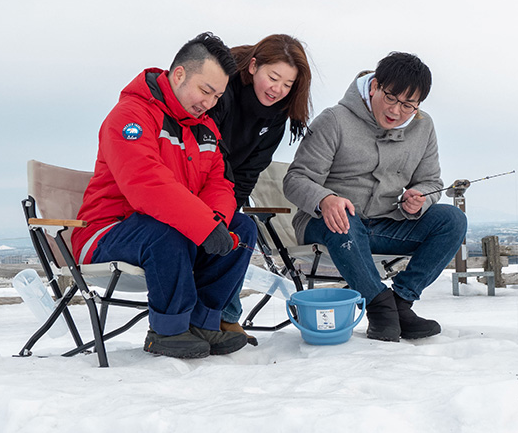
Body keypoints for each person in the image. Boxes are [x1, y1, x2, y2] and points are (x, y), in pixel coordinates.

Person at [71, 32, 257, 359]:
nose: (210, 103)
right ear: (180, 74)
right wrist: (202, 226)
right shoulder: (131, 116)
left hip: (173, 233)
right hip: (106, 234)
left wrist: (214, 223)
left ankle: (202, 324)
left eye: (217, 96)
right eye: (205, 90)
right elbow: (146, 183)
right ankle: (167, 331)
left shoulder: (205, 129)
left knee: (241, 229)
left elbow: (220, 182)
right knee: (164, 227)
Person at [282, 52, 467, 342]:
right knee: (345, 217)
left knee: (453, 220)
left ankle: (401, 302)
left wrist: (420, 200)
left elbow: (431, 182)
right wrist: (325, 199)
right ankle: (380, 306)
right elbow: (295, 179)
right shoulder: (334, 120)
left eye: (409, 105)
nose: (397, 110)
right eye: (391, 98)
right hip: (326, 223)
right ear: (374, 87)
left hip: (385, 225)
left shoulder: (423, 127)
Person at [207, 34, 312, 337]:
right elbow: (208, 151)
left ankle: (226, 318)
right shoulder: (223, 91)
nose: (278, 89)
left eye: (288, 84)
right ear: (253, 66)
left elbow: (250, 171)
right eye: (273, 77)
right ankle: (200, 319)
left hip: (227, 188)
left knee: (239, 230)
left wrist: (226, 210)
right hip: (196, 180)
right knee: (212, 232)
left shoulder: (278, 116)